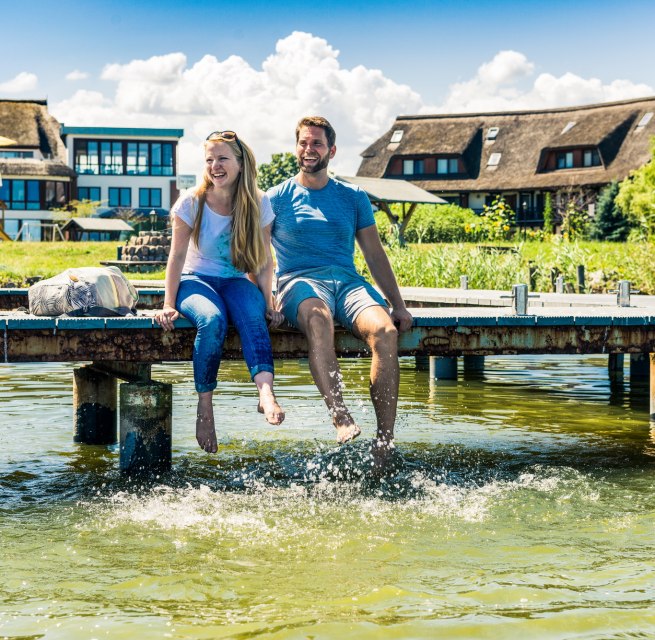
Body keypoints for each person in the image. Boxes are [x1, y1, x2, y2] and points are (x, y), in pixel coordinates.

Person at [267, 116, 413, 464]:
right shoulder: (275, 198)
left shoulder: (353, 197)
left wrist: (399, 305)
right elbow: (259, 259)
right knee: (318, 319)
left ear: (331, 150)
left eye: (316, 143)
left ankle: (384, 441)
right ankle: (340, 414)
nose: (309, 149)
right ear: (296, 147)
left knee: (384, 331)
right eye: (303, 142)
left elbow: (375, 255)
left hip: (347, 283)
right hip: (299, 284)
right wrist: (266, 302)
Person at [155, 130, 285, 454]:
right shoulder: (192, 201)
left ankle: (265, 393)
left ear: (240, 163)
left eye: (223, 158)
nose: (215, 165)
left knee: (254, 317)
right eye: (209, 159)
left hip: (235, 280)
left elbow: (265, 261)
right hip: (196, 280)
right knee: (212, 320)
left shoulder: (259, 201)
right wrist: (169, 303)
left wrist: (268, 303)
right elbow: (176, 257)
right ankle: (205, 407)